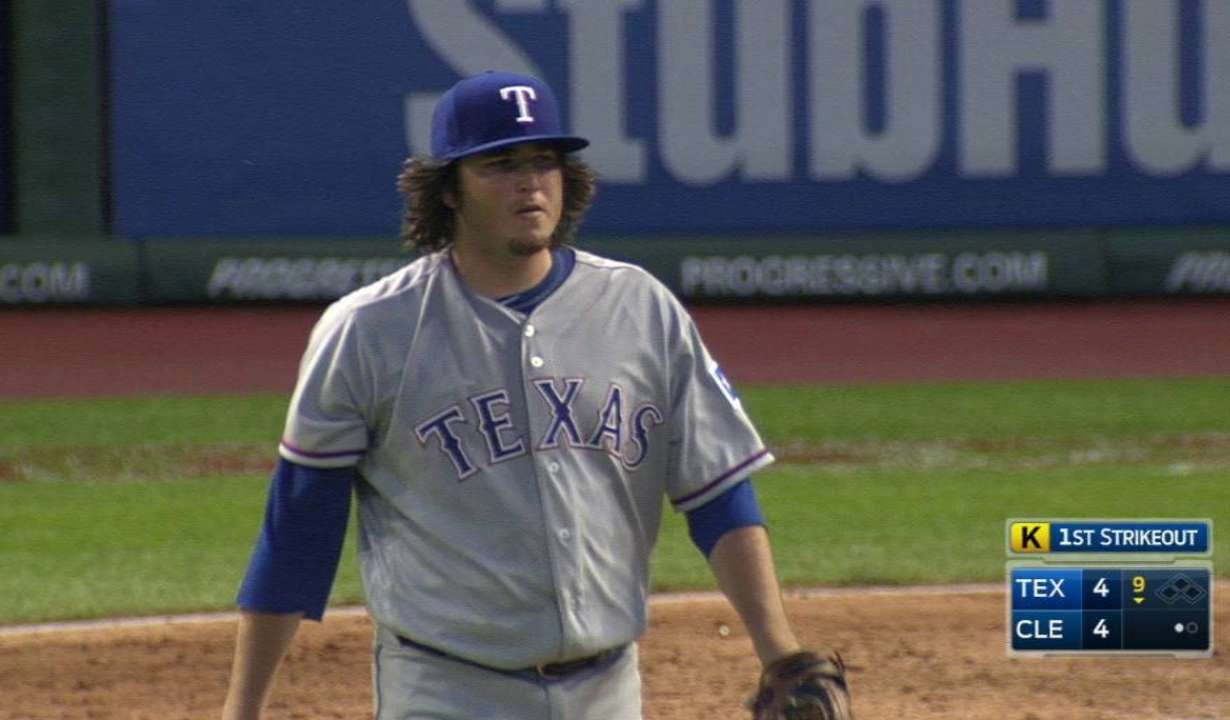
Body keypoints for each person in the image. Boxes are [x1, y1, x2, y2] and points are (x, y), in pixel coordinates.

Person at [222, 70, 844, 720]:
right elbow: (298, 535)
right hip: (445, 693)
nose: (530, 182)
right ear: (449, 191)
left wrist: (779, 652)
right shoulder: (369, 332)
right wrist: (243, 710)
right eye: (500, 164)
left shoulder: (639, 308)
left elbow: (718, 490)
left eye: (545, 160)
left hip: (608, 691)